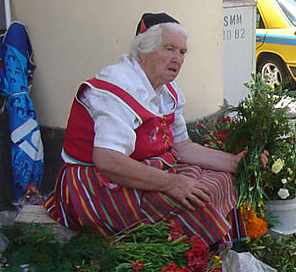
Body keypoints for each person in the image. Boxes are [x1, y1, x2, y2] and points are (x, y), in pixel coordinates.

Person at [44, 13, 252, 247]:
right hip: (95, 185)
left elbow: (182, 146)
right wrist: (172, 183)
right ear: (142, 49)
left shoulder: (166, 90)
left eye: (182, 52)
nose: (177, 59)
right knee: (196, 201)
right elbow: (108, 161)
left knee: (221, 180)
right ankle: (196, 269)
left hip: (144, 170)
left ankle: (220, 259)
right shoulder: (117, 86)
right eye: (169, 49)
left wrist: (235, 162)